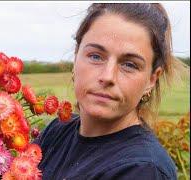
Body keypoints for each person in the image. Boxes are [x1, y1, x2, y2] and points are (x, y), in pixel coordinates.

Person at [33, 3, 187, 180]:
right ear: (76, 57)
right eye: (95, 56)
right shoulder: (57, 131)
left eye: (129, 65)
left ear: (152, 79)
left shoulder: (143, 169)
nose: (107, 76)